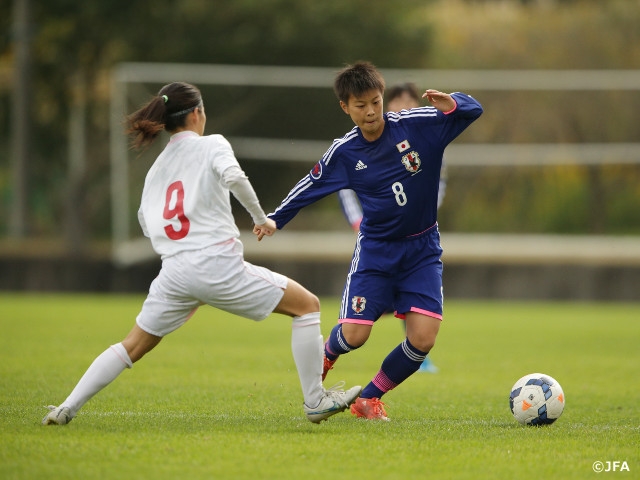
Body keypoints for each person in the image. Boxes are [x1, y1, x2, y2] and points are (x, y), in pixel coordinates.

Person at [42, 81, 361, 426]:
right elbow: (235, 176)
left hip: (175, 272)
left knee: (132, 345)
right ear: (196, 113)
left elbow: (146, 223)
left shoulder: (157, 169)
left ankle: (65, 408)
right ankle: (315, 401)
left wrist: (187, 276)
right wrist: (261, 219)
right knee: (307, 306)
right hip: (216, 265)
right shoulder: (212, 144)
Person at [255, 62, 482, 421]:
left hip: (422, 249)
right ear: (345, 107)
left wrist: (449, 103)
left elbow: (473, 110)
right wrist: (275, 218)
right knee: (355, 335)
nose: (372, 111)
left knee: (423, 338)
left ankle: (368, 398)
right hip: (376, 250)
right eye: (361, 105)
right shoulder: (344, 152)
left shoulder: (417, 124)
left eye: (376, 101)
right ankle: (327, 356)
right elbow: (310, 185)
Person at [337, 82, 446, 374]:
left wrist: (417, 212)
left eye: (413, 105)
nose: (406, 110)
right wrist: (357, 220)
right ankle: (331, 346)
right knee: (362, 323)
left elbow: (438, 187)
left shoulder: (426, 142)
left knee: (415, 306)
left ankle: (416, 353)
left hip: (416, 236)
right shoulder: (359, 145)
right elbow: (343, 186)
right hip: (379, 239)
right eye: (400, 104)